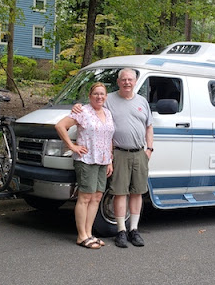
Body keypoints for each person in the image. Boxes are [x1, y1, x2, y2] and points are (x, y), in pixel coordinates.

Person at [73, 68, 154, 248]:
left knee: (137, 191)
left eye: (130, 80)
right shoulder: (109, 99)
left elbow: (149, 127)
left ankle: (134, 229)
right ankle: (121, 231)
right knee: (119, 191)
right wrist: (76, 106)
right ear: (118, 82)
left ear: (135, 82)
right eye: (123, 79)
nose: (127, 82)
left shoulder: (142, 101)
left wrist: (149, 149)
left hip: (139, 152)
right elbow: (94, 103)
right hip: (118, 152)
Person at [56, 83, 115, 249]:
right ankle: (81, 236)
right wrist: (72, 146)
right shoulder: (82, 111)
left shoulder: (108, 113)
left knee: (96, 197)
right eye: (96, 94)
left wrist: (110, 160)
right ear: (90, 96)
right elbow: (60, 126)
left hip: (103, 161)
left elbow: (109, 137)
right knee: (85, 197)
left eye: (102, 94)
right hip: (86, 160)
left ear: (106, 96)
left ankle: (89, 233)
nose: (99, 97)